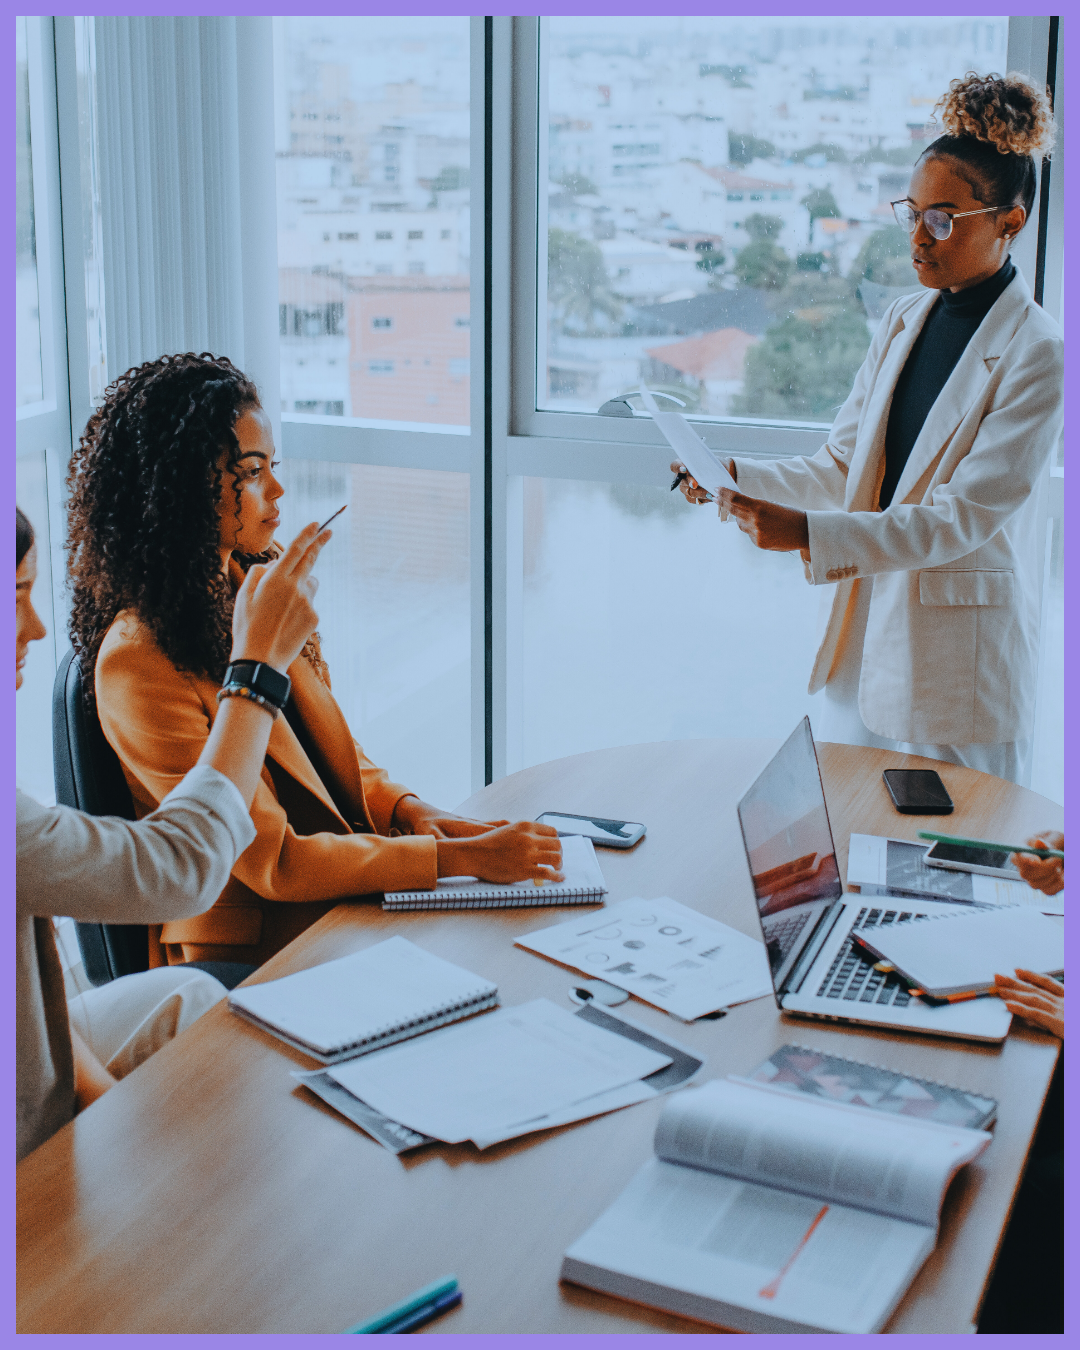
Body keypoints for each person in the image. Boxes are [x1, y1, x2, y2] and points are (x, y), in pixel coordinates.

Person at [66, 352, 562, 970]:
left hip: (328, 904)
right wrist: (457, 861)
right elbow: (274, 863)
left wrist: (413, 813)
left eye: (274, 466)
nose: (277, 489)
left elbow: (333, 758)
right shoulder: (137, 663)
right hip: (245, 956)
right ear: (180, 487)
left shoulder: (250, 585)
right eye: (250, 472)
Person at [674, 73, 1061, 786]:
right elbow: (842, 464)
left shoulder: (1040, 352)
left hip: (960, 678)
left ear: (1010, 221)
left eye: (942, 219)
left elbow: (958, 520)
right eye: (911, 213)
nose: (917, 237)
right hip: (865, 651)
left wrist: (808, 534)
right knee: (854, 852)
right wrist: (732, 475)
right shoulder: (903, 319)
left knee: (952, 875)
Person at [17, 505, 330, 1160]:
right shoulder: (137, 659)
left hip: (37, 1043)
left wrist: (101, 1099)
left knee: (187, 1000)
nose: (34, 626)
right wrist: (254, 676)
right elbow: (182, 866)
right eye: (13, 598)